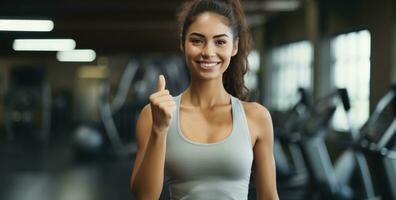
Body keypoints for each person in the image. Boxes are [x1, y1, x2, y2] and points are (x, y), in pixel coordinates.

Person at [130, 0, 278, 199]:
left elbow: (269, 197)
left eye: (220, 41)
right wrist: (159, 130)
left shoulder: (257, 117)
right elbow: (143, 197)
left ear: (234, 46)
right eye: (197, 40)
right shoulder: (153, 115)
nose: (208, 52)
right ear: (183, 44)